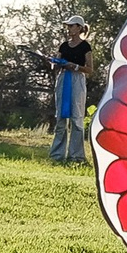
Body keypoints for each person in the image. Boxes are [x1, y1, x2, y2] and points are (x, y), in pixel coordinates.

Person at [48, 17, 92, 163]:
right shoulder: (64, 46)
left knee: (77, 118)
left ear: (79, 28)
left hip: (77, 80)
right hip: (63, 79)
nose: (69, 29)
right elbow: (56, 64)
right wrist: (55, 63)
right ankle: (57, 155)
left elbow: (90, 69)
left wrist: (75, 66)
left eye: (71, 26)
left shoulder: (85, 47)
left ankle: (76, 156)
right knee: (60, 117)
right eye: (68, 26)